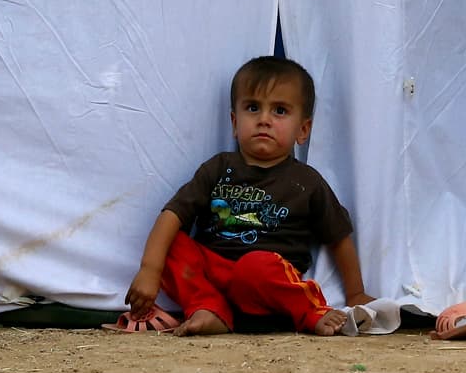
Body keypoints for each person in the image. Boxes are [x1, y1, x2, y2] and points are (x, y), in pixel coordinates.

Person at [120, 55, 370, 337]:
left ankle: (309, 312)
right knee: (170, 242)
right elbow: (173, 214)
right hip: (212, 273)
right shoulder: (218, 168)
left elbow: (339, 237)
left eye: (279, 111)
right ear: (235, 122)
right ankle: (210, 309)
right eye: (253, 108)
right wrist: (150, 270)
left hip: (262, 278)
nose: (264, 120)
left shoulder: (307, 182)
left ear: (303, 130)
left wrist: (356, 293)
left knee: (257, 266)